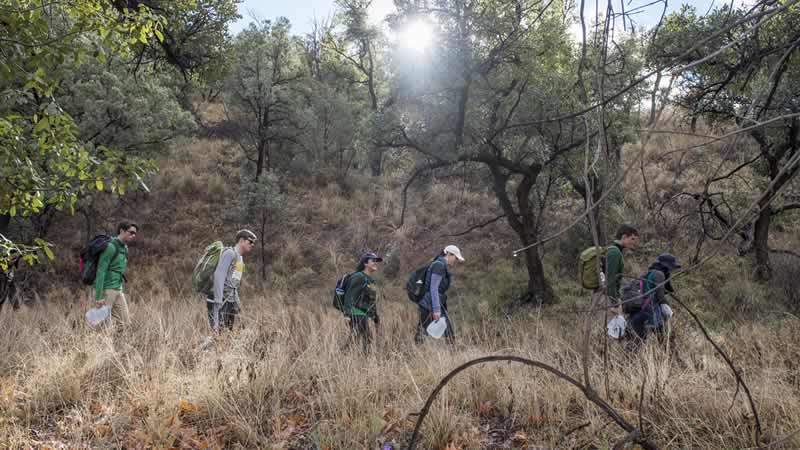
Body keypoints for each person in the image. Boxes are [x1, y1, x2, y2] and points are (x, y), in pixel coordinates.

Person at [207, 230, 256, 334]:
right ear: (242, 240)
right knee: (217, 334)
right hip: (220, 301)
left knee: (226, 334)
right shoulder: (229, 253)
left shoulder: (240, 259)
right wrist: (218, 301)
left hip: (230, 301)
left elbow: (234, 284)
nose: (252, 245)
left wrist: (236, 304)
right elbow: (219, 275)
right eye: (250, 242)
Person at [414, 245, 464, 344]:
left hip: (429, 304)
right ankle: (452, 353)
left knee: (423, 332)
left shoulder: (440, 264)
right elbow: (434, 288)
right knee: (444, 332)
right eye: (456, 258)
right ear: (449, 254)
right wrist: (436, 310)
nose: (456, 261)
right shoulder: (439, 265)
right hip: (430, 305)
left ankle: (414, 352)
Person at [628, 253, 681, 343]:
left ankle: (626, 357)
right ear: (666, 266)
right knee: (665, 341)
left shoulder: (647, 273)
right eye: (671, 267)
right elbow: (660, 296)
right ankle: (668, 356)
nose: (672, 270)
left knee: (637, 342)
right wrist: (669, 310)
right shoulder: (659, 274)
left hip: (636, 312)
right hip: (651, 312)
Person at [94, 221, 138, 326]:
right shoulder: (110, 247)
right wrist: (98, 296)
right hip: (107, 290)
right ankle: (81, 337)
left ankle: (115, 342)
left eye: (135, 233)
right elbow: (101, 271)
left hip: (118, 289)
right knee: (99, 323)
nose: (133, 235)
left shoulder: (124, 247)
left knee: (125, 323)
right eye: (131, 232)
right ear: (122, 231)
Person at [343, 252, 382, 352]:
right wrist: (347, 314)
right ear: (365, 263)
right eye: (373, 261)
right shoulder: (359, 277)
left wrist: (375, 317)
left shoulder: (370, 280)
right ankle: (364, 362)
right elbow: (349, 295)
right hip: (356, 313)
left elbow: (371, 300)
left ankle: (344, 355)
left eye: (376, 261)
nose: (375, 263)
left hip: (363, 314)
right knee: (366, 338)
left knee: (357, 338)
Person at [606, 224, 639, 311]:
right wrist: (615, 304)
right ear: (624, 237)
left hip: (608, 297)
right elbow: (611, 279)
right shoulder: (614, 252)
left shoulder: (614, 250)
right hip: (607, 299)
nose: (633, 242)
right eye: (632, 239)